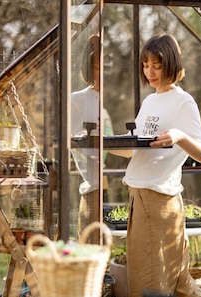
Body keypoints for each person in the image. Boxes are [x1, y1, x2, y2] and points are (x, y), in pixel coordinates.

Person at [118, 34, 201, 297]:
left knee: (150, 285)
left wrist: (179, 137)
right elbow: (135, 149)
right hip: (140, 197)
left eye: (156, 65)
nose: (150, 72)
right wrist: (96, 142)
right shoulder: (149, 102)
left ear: (171, 64)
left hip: (158, 201)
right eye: (146, 65)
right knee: (179, 281)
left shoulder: (183, 102)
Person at [70, 34, 114, 234]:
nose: (102, 72)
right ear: (88, 67)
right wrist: (81, 140)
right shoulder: (77, 100)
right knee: (91, 246)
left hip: (117, 182)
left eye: (105, 66)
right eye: (97, 66)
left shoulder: (112, 99)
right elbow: (72, 139)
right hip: (92, 187)